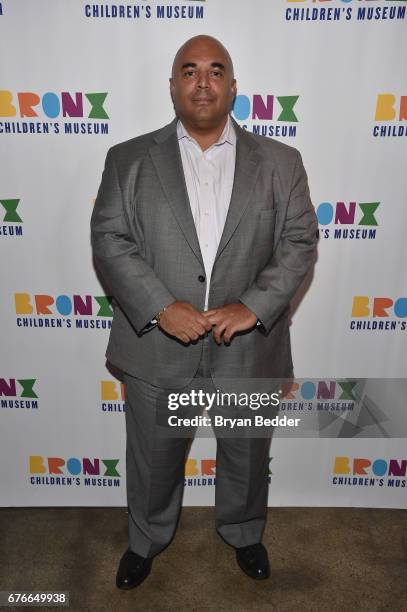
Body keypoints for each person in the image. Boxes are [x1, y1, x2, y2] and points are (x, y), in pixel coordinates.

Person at [90, 34, 318, 589]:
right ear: (172, 86)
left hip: (249, 346)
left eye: (217, 71)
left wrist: (253, 307)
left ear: (233, 87)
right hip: (157, 346)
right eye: (189, 71)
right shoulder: (128, 160)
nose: (203, 81)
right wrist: (161, 307)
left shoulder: (282, 162)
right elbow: (110, 239)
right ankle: (144, 541)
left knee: (245, 454)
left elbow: (300, 240)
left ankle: (244, 531)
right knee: (152, 460)